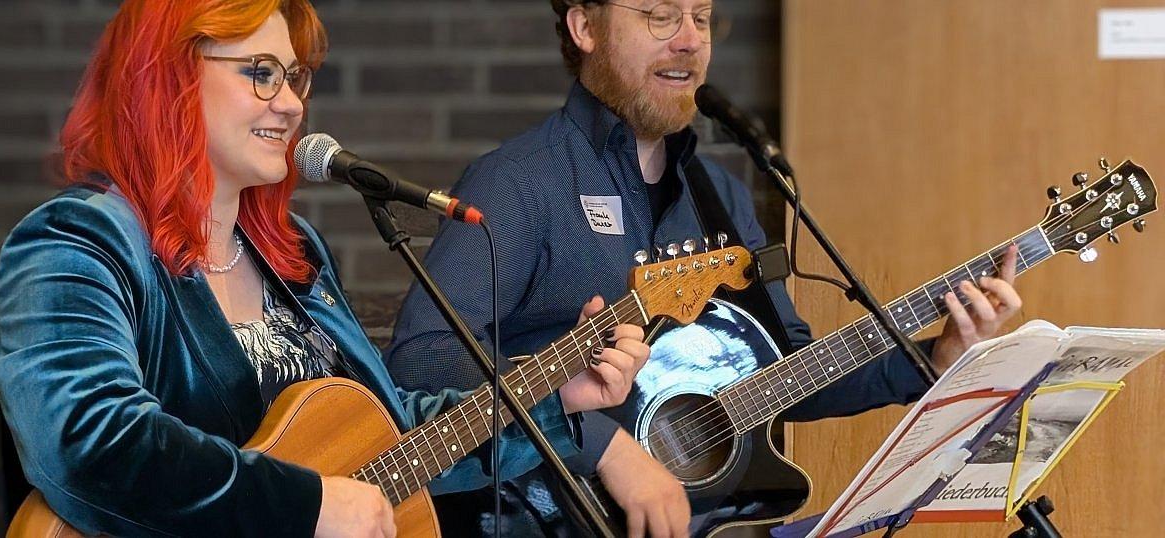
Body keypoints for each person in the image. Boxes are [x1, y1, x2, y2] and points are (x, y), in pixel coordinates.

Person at [0, 1, 651, 536]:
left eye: (295, 76)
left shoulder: (292, 251)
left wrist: (553, 396)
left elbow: (387, 438)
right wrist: (303, 506)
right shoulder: (76, 241)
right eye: (261, 73)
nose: (292, 104)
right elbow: (92, 443)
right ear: (169, 77)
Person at [385, 1, 1023, 536]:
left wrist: (935, 360)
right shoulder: (518, 183)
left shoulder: (718, 194)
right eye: (662, 15)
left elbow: (789, 372)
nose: (690, 40)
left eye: (703, 16)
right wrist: (602, 443)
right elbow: (422, 362)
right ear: (585, 28)